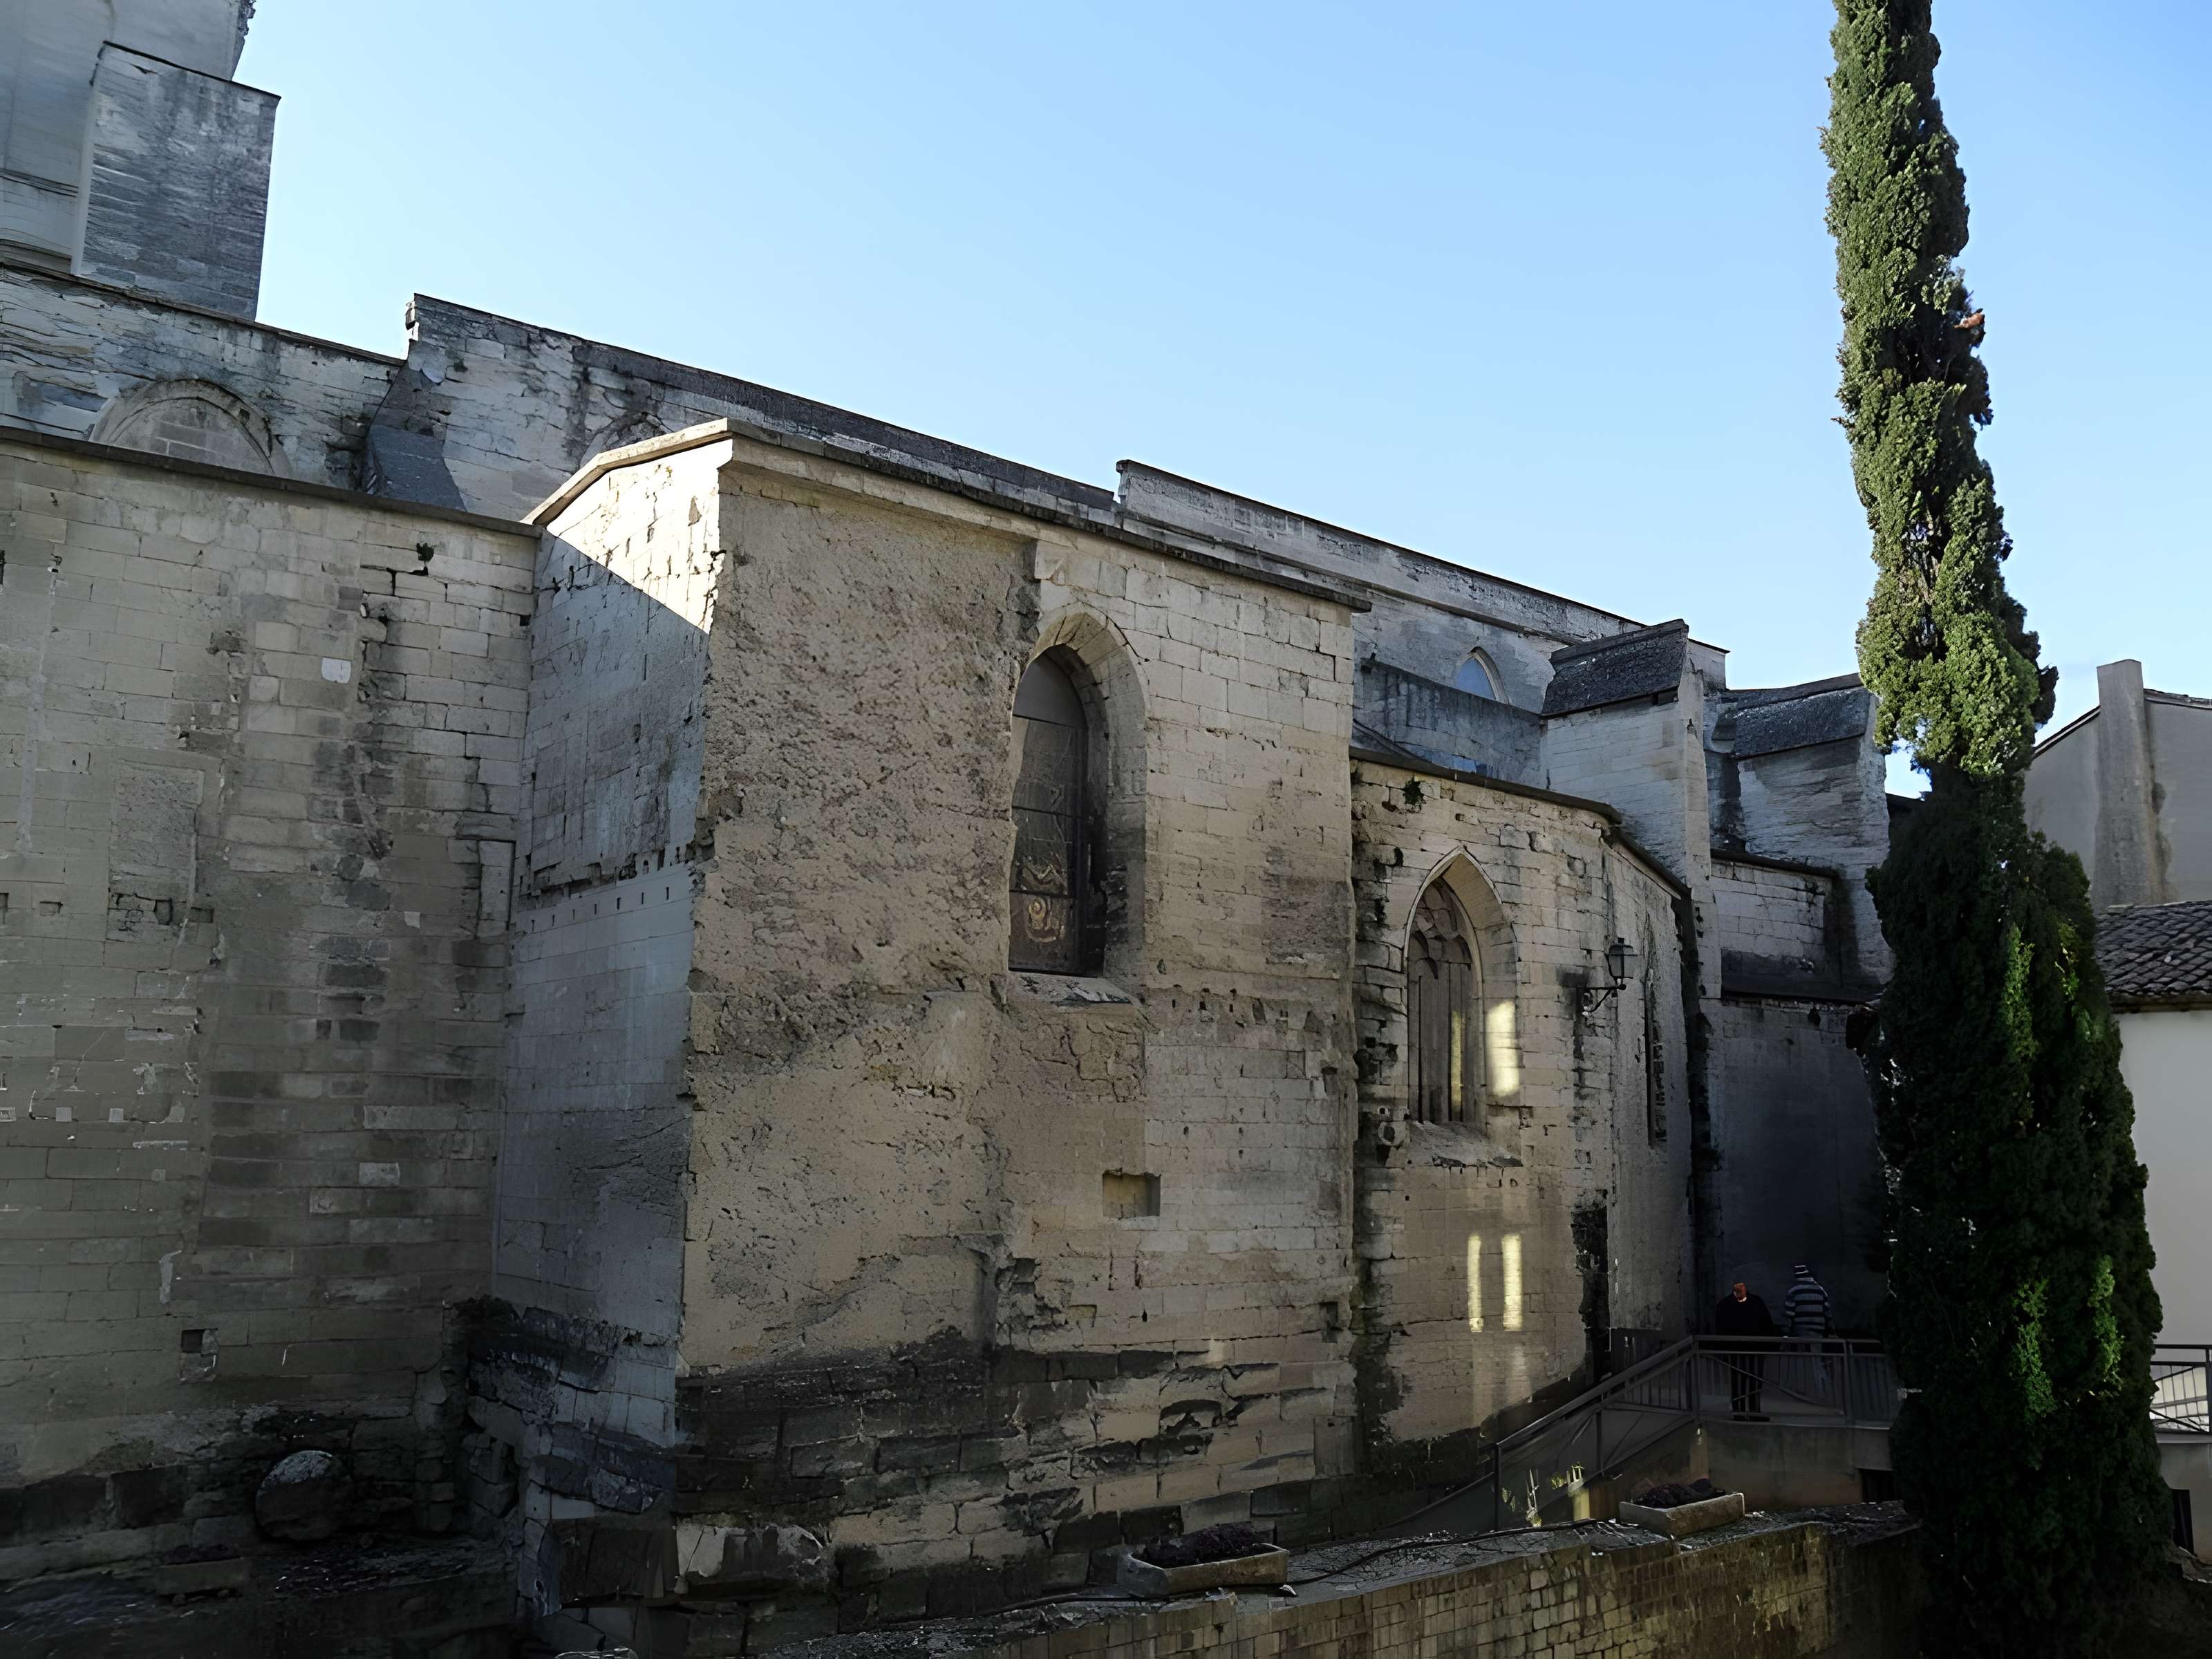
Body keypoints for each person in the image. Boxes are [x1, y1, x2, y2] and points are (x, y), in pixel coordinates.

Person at [1713, 1278, 1777, 1420]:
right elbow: (1767, 1325)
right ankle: (1749, 1412)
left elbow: (1720, 1330)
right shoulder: (1755, 1302)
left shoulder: (1725, 1305)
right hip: (1751, 1349)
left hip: (1742, 1349)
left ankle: (1743, 1412)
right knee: (1748, 1382)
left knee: (1742, 1382)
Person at [1785, 1262, 1833, 1403]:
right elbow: (1828, 1313)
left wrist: (1787, 1332)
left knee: (1802, 1360)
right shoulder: (1820, 1290)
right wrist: (1832, 1331)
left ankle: (1804, 1390)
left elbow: (1790, 1314)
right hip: (1818, 1331)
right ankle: (1824, 1392)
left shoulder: (1794, 1291)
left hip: (1801, 1331)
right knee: (1817, 1361)